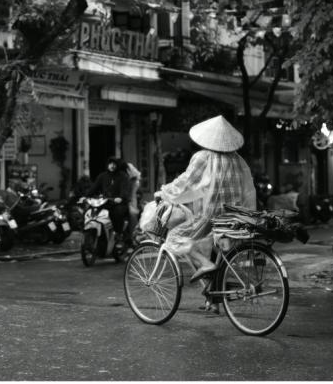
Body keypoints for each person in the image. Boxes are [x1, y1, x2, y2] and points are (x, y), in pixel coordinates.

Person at [154, 115, 256, 286]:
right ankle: (213, 299)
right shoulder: (238, 159)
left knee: (175, 237)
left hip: (213, 216)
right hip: (236, 216)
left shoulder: (204, 156)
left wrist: (165, 192)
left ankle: (205, 264)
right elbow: (248, 189)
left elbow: (186, 182)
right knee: (215, 252)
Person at [88, 157, 131, 242]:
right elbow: (94, 188)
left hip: (119, 203)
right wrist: (85, 196)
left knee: (117, 213)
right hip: (105, 202)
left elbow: (124, 189)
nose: (112, 166)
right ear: (107, 165)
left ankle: (118, 235)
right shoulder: (102, 176)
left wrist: (121, 197)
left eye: (114, 164)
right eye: (110, 163)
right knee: (91, 211)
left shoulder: (123, 176)